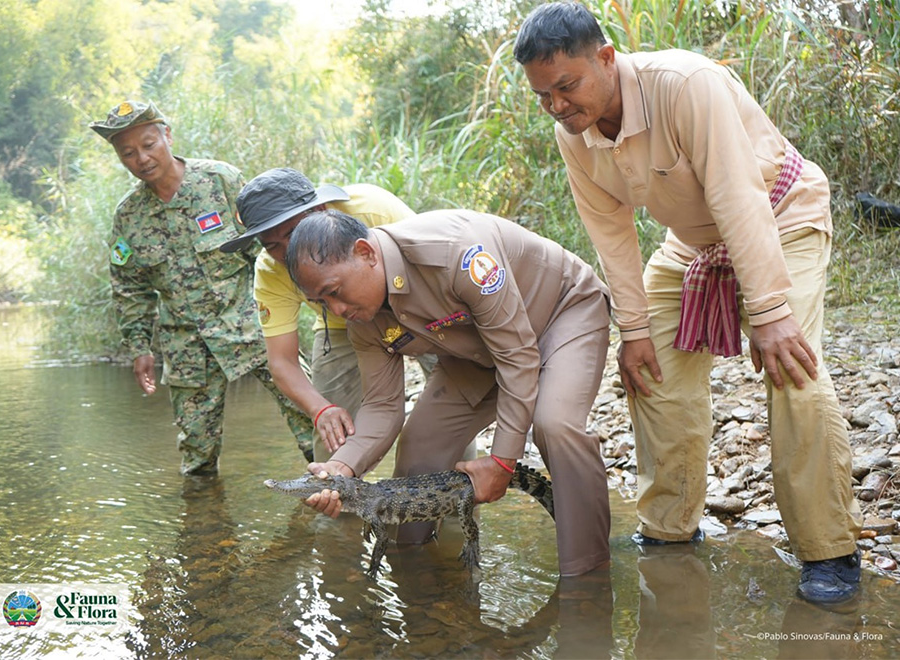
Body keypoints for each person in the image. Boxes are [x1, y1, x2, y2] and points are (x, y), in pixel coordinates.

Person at [514, 2, 862, 603]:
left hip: (780, 215)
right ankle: (670, 529)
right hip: (693, 244)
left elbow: (737, 195)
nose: (557, 106)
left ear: (606, 58)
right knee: (649, 370)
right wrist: (634, 330)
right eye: (543, 96)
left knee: (793, 369)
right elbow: (611, 235)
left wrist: (770, 312)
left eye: (566, 86)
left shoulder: (685, 84)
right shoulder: (573, 135)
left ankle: (830, 549)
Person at [284, 209, 613, 577]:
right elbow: (381, 406)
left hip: (560, 315)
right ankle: (414, 577)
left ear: (366, 253)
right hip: (480, 353)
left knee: (555, 425)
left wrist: (502, 462)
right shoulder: (363, 320)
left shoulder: (456, 254)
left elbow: (517, 357)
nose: (337, 309)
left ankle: (587, 579)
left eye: (334, 292)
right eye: (322, 303)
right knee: (420, 445)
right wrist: (342, 468)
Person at [90, 101, 314, 476]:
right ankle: (203, 513)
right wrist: (139, 348)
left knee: (310, 412)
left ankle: (341, 484)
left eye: (148, 144)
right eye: (128, 153)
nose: (141, 159)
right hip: (186, 348)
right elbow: (129, 288)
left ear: (167, 135)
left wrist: (305, 304)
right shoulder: (128, 217)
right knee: (197, 457)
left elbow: (269, 249)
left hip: (253, 327)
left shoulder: (221, 182)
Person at [219, 168, 417, 462]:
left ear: (320, 209)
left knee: (448, 408)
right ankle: (334, 485)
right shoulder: (271, 271)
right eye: (272, 246)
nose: (288, 253)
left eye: (292, 233)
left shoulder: (373, 211)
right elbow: (282, 361)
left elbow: (432, 268)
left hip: (417, 308)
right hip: (342, 326)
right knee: (332, 436)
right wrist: (320, 409)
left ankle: (458, 489)